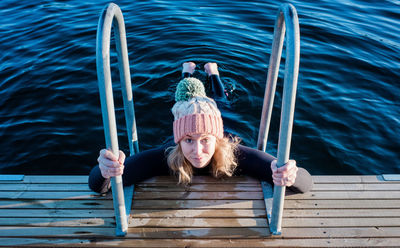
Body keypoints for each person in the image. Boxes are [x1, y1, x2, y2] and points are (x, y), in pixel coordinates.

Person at [88, 62, 313, 194]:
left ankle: (212, 72)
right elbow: (99, 186)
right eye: (188, 140)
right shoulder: (167, 156)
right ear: (178, 141)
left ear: (216, 139)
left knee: (221, 100)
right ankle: (186, 72)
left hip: (222, 116)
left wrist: (289, 175)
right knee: (182, 98)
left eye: (205, 139)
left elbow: (305, 182)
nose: (197, 151)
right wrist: (106, 170)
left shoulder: (235, 156)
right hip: (186, 115)